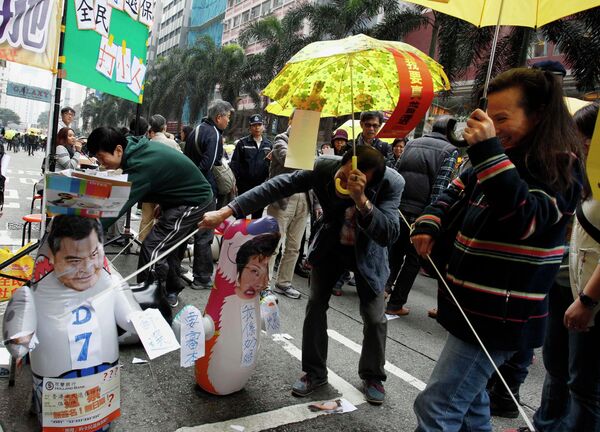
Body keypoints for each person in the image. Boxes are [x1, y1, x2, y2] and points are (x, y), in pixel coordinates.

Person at [410, 68, 583, 431]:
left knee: (437, 407)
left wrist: (488, 150)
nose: (495, 126)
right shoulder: (495, 158)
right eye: (491, 116)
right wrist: (430, 221)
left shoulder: (559, 166)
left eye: (503, 118)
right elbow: (452, 192)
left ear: (537, 116)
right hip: (469, 306)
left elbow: (525, 219)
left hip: (500, 316)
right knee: (472, 406)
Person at [199, 145, 405, 405]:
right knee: (315, 306)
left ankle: (373, 376)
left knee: (375, 318)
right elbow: (276, 186)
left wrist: (362, 200)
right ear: (341, 163)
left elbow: (389, 234)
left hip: (368, 253)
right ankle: (314, 372)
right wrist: (226, 211)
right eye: (343, 176)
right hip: (330, 247)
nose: (343, 182)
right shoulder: (323, 167)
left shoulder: (391, 183)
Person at [527, 103, 600, 432]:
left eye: (584, 136)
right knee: (556, 366)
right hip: (561, 285)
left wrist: (587, 301)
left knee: (583, 384)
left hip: (588, 297)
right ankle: (544, 424)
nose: (576, 142)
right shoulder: (576, 176)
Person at [86, 126, 214, 308]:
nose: (101, 164)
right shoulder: (134, 151)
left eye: (101, 157)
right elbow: (167, 176)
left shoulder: (141, 163)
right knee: (165, 246)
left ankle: (150, 301)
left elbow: (118, 205)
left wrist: (88, 230)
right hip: (178, 199)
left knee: (153, 247)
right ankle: (171, 289)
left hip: (194, 201)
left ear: (118, 149)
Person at [385, 117, 458, 316]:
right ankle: (395, 304)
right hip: (420, 214)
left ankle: (382, 290)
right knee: (412, 260)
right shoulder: (450, 151)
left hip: (400, 206)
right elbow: (440, 188)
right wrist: (431, 218)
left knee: (395, 253)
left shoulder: (412, 144)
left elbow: (397, 174)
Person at [183, 99, 234, 290]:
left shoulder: (196, 129)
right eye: (227, 117)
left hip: (189, 190)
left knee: (185, 230)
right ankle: (202, 277)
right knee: (204, 234)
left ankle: (177, 270)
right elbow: (208, 164)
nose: (228, 121)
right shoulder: (213, 133)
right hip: (205, 191)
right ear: (218, 117)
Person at [264, 111, 309, 299]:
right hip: (283, 199)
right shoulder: (280, 139)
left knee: (294, 247)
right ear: (291, 121)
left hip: (304, 199)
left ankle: (284, 283)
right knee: (273, 244)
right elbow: (287, 159)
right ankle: (264, 284)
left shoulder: (309, 142)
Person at [230, 114, 272, 219]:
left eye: (259, 125)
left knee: (257, 217)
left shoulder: (269, 145)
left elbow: (271, 165)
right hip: (244, 185)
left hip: (261, 186)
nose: (257, 127)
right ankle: (239, 235)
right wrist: (233, 182)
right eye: (254, 125)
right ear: (250, 127)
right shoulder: (242, 143)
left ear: (263, 127)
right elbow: (235, 164)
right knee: (241, 215)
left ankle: (254, 236)